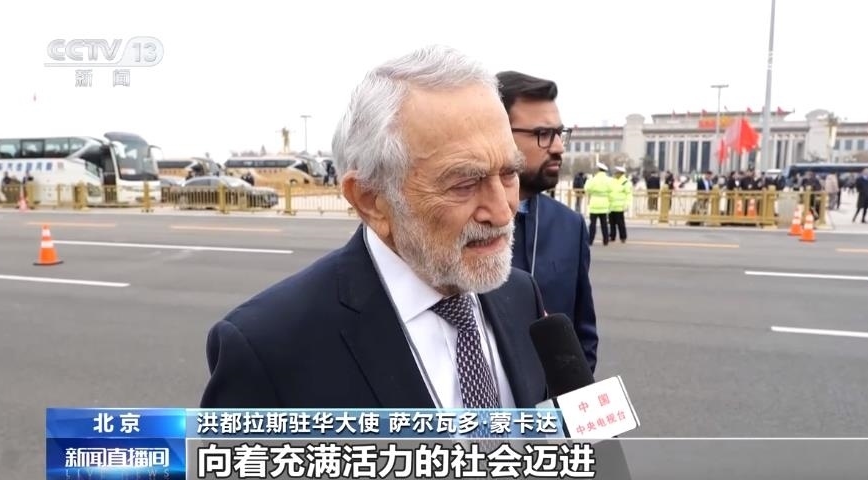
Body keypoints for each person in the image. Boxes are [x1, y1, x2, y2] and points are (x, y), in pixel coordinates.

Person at [200, 45, 548, 409]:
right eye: (464, 184)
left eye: (509, 173)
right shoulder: (267, 348)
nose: (502, 212)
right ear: (370, 199)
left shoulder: (521, 295)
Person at [495, 70, 598, 373]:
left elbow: (582, 335)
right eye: (543, 133)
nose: (558, 147)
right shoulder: (456, 224)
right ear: (497, 134)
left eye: (559, 133)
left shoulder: (570, 226)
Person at [585, 162, 612, 246]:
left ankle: (590, 240)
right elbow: (611, 190)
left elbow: (587, 188)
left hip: (594, 203)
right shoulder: (609, 180)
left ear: (598, 170)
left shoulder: (593, 179)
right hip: (604, 204)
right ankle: (605, 240)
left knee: (592, 224)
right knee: (604, 224)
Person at [607, 166, 633, 243]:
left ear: (621, 173)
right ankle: (612, 236)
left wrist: (627, 204)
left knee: (620, 223)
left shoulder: (625, 182)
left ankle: (623, 237)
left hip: (619, 206)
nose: (615, 174)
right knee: (611, 223)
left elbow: (628, 194)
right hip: (611, 206)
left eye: (617, 173)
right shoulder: (612, 181)